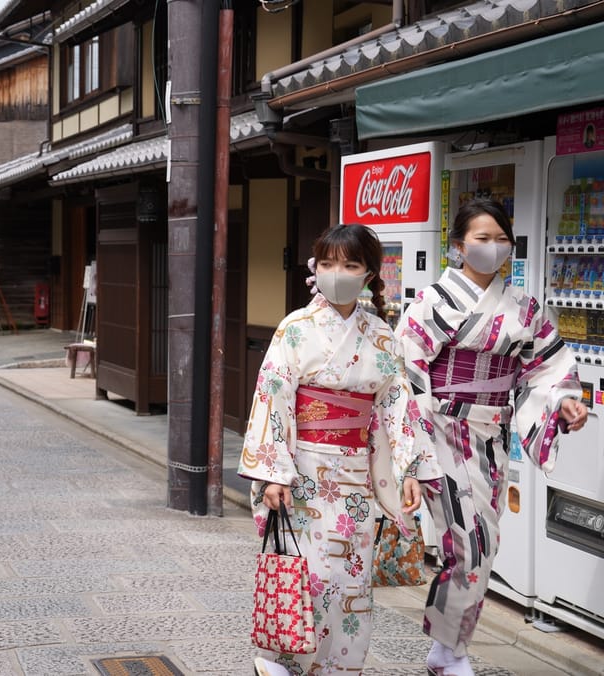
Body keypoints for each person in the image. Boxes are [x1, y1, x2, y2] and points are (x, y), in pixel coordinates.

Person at [395, 198, 588, 676]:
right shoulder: (434, 302)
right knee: (472, 543)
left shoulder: (523, 305)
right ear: (458, 247)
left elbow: (546, 366)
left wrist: (563, 400)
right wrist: (414, 447)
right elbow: (406, 370)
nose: (493, 247)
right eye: (482, 238)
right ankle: (449, 651)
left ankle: (447, 645)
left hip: (491, 435)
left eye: (501, 239)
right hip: (442, 427)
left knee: (485, 544)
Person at [241, 223, 441, 676]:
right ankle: (283, 660)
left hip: (354, 478)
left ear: (369, 272)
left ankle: (337, 668)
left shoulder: (382, 336)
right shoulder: (296, 328)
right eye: (328, 263)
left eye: (350, 264)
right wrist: (272, 471)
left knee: (350, 579)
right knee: (306, 574)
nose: (338, 273)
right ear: (317, 269)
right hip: (303, 472)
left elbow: (396, 406)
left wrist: (408, 468)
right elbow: (272, 395)